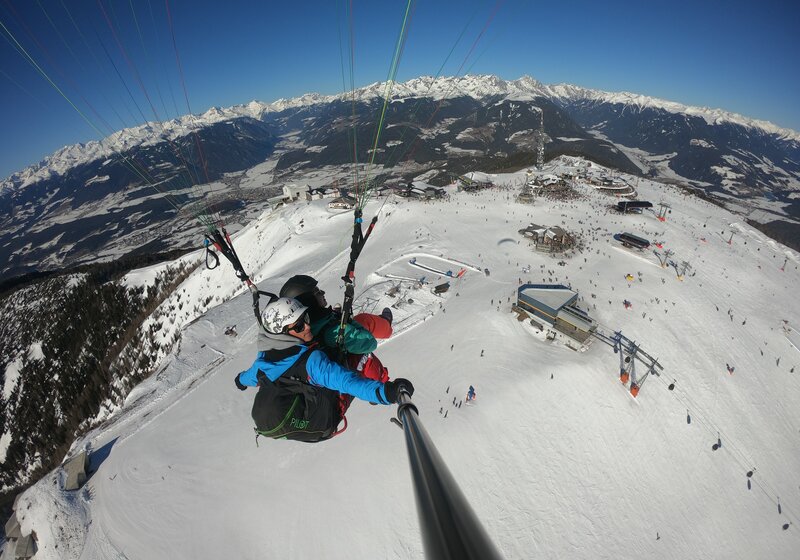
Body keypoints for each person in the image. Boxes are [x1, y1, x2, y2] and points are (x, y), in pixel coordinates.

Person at [235, 297, 413, 442]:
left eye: (305, 318)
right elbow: (347, 382)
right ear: (282, 333)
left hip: (301, 418)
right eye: (299, 326)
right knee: (363, 356)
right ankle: (381, 382)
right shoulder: (311, 363)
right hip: (329, 413)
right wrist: (386, 392)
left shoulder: (263, 361)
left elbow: (248, 377)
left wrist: (239, 381)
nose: (307, 326)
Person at [280, 274, 393, 382]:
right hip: (358, 378)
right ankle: (386, 327)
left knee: (362, 321)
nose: (322, 292)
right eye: (317, 292)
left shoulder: (304, 329)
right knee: (363, 323)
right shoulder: (333, 332)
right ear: (310, 301)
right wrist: (348, 321)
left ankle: (385, 325)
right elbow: (370, 343)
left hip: (337, 367)